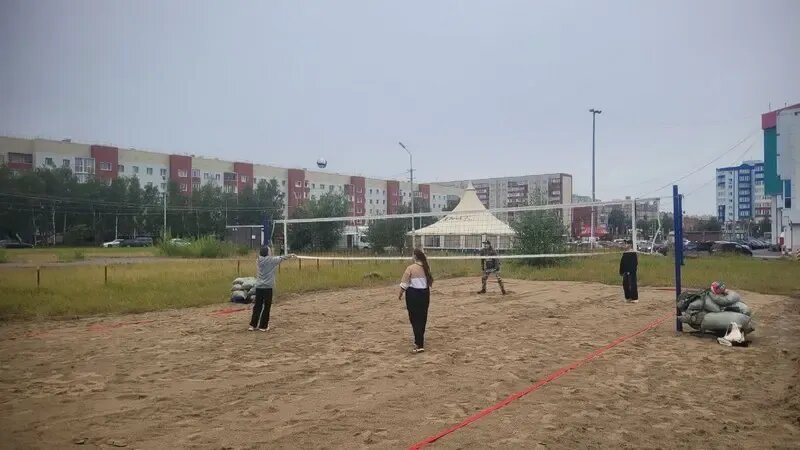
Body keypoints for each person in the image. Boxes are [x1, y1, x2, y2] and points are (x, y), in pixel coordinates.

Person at [249, 246, 296, 331]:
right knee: (267, 307)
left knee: (257, 306)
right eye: (270, 251)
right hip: (268, 287)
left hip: (259, 287)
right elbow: (282, 257)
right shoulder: (271, 260)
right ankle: (263, 326)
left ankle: (253, 325)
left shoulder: (258, 260)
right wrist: (291, 255)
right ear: (267, 252)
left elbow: (277, 258)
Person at [398, 248, 433, 353]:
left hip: (413, 295)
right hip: (425, 295)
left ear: (415, 257)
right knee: (422, 318)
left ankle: (418, 344)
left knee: (414, 319)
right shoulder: (426, 268)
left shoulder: (410, 268)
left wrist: (400, 293)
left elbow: (404, 284)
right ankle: (420, 341)